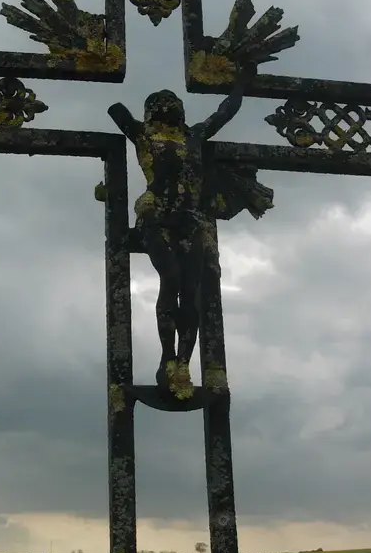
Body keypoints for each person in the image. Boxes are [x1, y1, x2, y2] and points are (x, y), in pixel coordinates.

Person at [107, 63, 271, 397]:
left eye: (173, 102)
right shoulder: (143, 135)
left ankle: (183, 362)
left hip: (191, 220)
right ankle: (167, 358)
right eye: (161, 102)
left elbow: (224, 113)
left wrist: (241, 83)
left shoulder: (193, 135)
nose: (168, 105)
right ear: (152, 112)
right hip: (156, 216)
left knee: (192, 290)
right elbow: (115, 111)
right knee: (171, 279)